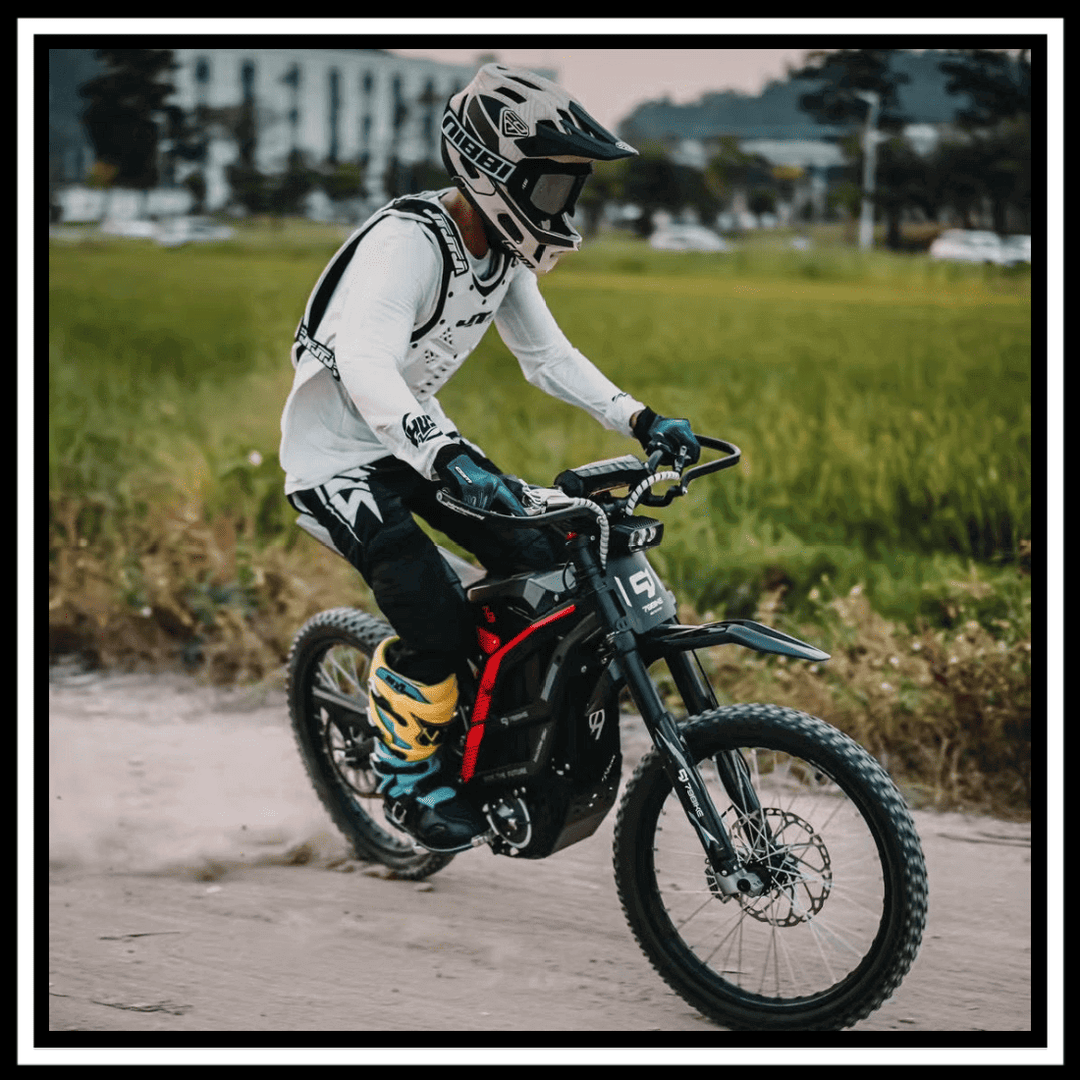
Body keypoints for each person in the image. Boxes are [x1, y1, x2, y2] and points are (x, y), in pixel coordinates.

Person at [280, 63, 700, 852]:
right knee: (434, 618)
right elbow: (365, 363)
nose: (562, 207)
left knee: (546, 555)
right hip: (338, 463)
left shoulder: (502, 250)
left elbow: (549, 357)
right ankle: (405, 774)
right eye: (552, 186)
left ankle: (492, 727)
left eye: (569, 189)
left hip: (418, 444)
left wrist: (640, 419)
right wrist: (445, 456)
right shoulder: (409, 243)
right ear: (493, 171)